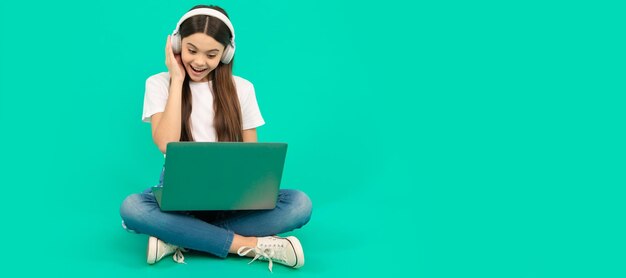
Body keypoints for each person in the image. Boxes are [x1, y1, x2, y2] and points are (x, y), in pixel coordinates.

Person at [119, 5, 312, 272]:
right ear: (177, 44)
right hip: (180, 197)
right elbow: (165, 142)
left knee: (300, 204)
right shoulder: (159, 83)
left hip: (232, 198)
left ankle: (179, 238)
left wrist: (244, 192)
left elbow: (251, 157)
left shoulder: (242, 89)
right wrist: (177, 79)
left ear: (226, 53)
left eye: (211, 54)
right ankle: (251, 245)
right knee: (133, 209)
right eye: (191, 50)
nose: (199, 62)